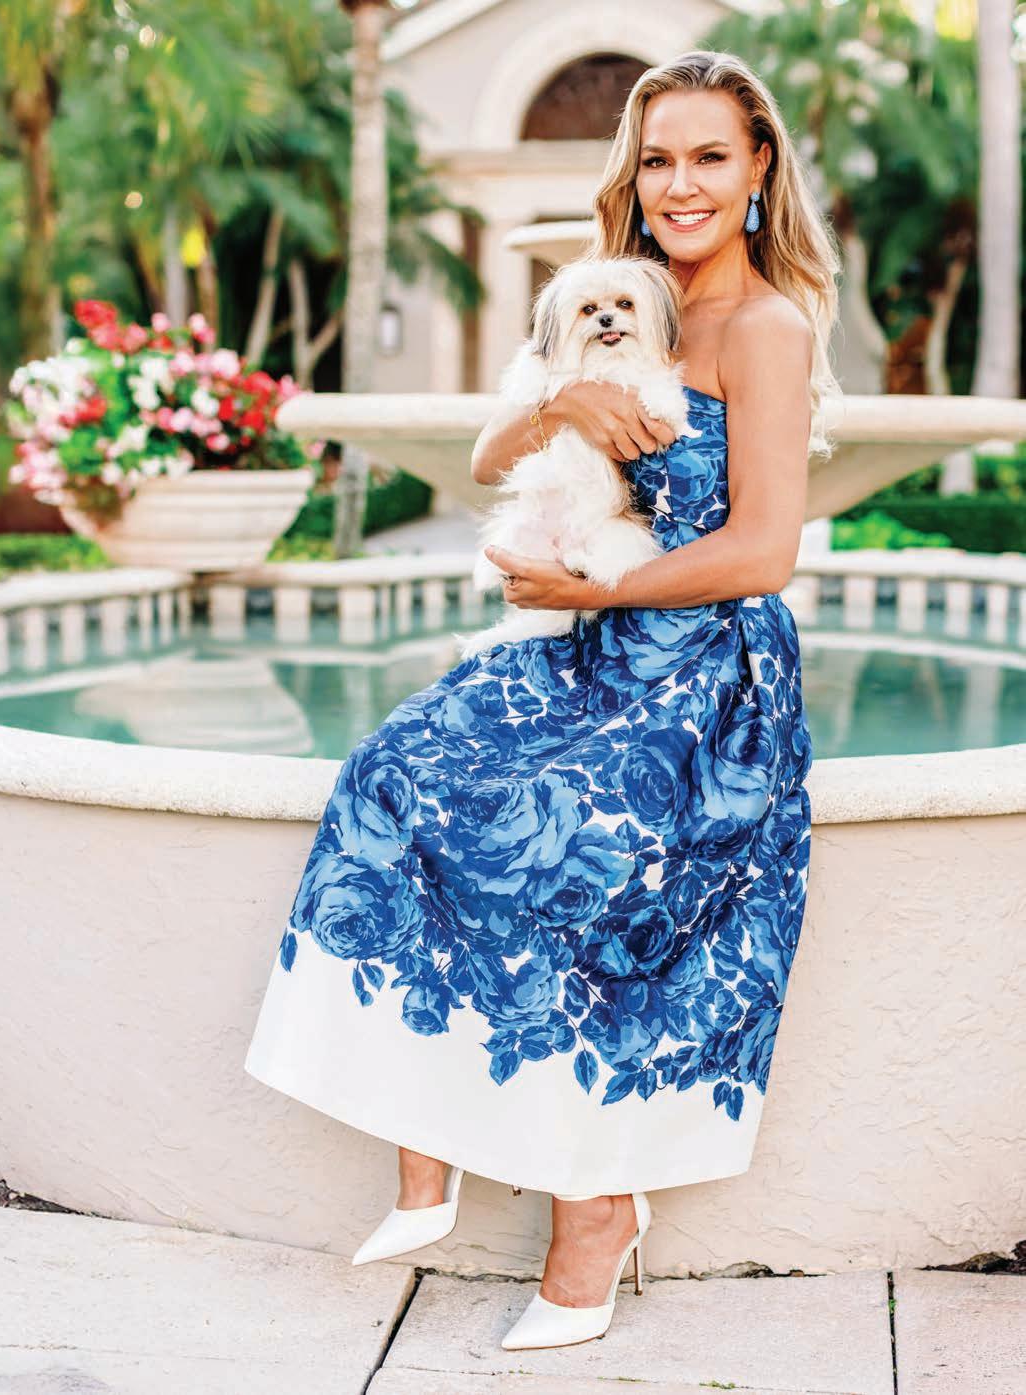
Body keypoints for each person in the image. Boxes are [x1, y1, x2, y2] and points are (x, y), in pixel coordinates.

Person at [244, 48, 840, 1351]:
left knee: (573, 843)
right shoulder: (609, 296)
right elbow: (485, 456)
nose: (681, 185)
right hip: (580, 646)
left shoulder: (766, 329)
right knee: (392, 774)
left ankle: (597, 1212)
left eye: (710, 157)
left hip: (701, 669)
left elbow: (762, 553)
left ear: (758, 170)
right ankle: (428, 1155)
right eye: (658, 159)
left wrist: (587, 594)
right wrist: (560, 400)